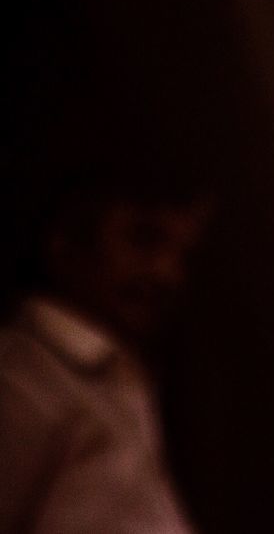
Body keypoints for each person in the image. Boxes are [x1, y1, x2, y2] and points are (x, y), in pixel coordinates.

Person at [0, 167, 207, 533]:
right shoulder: (22, 376)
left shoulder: (119, 373)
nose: (168, 273)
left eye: (183, 256)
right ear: (65, 239)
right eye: (143, 240)